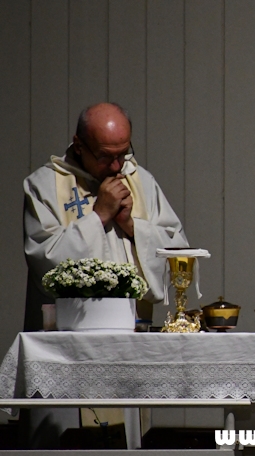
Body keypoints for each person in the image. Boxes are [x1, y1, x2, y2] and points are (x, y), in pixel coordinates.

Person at [23, 102, 189, 331]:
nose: (116, 166)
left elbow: (177, 251)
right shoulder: (44, 185)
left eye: (122, 154)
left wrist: (131, 226)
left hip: (133, 329)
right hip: (69, 334)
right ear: (79, 145)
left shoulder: (141, 181)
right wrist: (98, 216)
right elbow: (44, 259)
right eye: (105, 156)